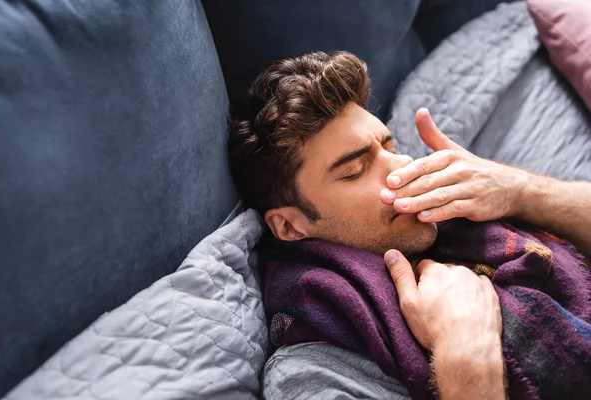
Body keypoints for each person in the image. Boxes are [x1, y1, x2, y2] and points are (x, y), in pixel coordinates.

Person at [228, 51, 591, 399]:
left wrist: (523, 192)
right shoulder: (312, 373)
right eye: (355, 170)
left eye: (391, 145)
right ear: (291, 226)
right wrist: (465, 355)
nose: (402, 165)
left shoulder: (473, 221)